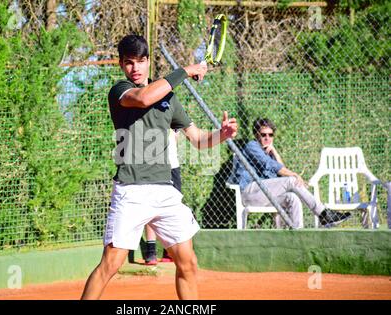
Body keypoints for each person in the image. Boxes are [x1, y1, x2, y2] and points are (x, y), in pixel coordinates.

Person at [81, 35, 238, 300]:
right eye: (129, 63)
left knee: (188, 263)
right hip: (131, 192)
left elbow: (198, 139)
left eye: (141, 62)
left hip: (165, 192)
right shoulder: (120, 91)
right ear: (121, 65)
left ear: (148, 62)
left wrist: (221, 135)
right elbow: (143, 99)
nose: (136, 68)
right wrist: (186, 71)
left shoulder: (169, 99)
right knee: (110, 264)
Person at [233, 118, 351, 229]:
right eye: (263, 134)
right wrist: (295, 175)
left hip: (266, 195)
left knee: (292, 198)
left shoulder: (268, 152)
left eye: (270, 135)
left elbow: (281, 170)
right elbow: (274, 167)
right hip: (250, 193)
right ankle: (324, 214)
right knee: (291, 180)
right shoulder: (252, 146)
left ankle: (297, 234)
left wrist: (275, 152)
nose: (267, 138)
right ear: (256, 135)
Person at [144, 129, 180, 265]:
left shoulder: (173, 110)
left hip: (172, 166)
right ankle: (151, 251)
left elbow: (176, 137)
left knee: (173, 207)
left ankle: (168, 251)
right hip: (152, 165)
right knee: (150, 206)